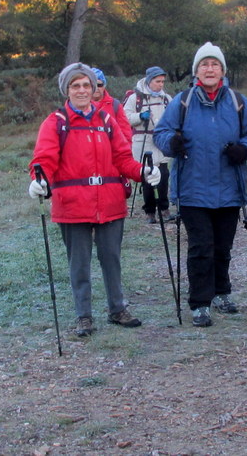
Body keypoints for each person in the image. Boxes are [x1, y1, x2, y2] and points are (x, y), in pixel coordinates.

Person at [29, 63, 160, 337]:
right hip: (72, 205)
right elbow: (44, 160)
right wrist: (39, 180)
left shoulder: (106, 120)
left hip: (110, 202)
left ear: (94, 88)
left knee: (111, 258)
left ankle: (117, 309)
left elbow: (123, 158)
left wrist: (143, 172)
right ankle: (84, 316)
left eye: (86, 85)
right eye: (75, 85)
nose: (81, 90)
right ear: (67, 90)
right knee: (79, 262)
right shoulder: (55, 122)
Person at [154, 43, 247, 328]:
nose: (210, 69)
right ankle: (200, 303)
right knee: (201, 247)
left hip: (229, 188)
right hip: (193, 189)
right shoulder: (182, 101)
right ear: (196, 71)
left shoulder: (238, 102)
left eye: (215, 64)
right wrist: (171, 143)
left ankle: (221, 292)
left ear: (223, 70)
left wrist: (244, 149)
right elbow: (162, 133)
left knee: (223, 247)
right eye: (204, 64)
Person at [124, 66, 174, 224]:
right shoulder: (135, 99)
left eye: (162, 82)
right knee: (148, 177)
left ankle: (164, 209)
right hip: (143, 142)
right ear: (149, 81)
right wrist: (140, 116)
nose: (160, 85)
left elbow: (174, 116)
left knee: (164, 176)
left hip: (162, 142)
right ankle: (150, 212)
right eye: (157, 81)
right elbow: (125, 117)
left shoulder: (166, 98)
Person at [90, 67, 133, 143]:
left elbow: (126, 134)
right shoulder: (81, 107)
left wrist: (124, 152)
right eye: (92, 85)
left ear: (104, 85)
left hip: (110, 151)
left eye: (99, 85)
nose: (96, 88)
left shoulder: (115, 105)